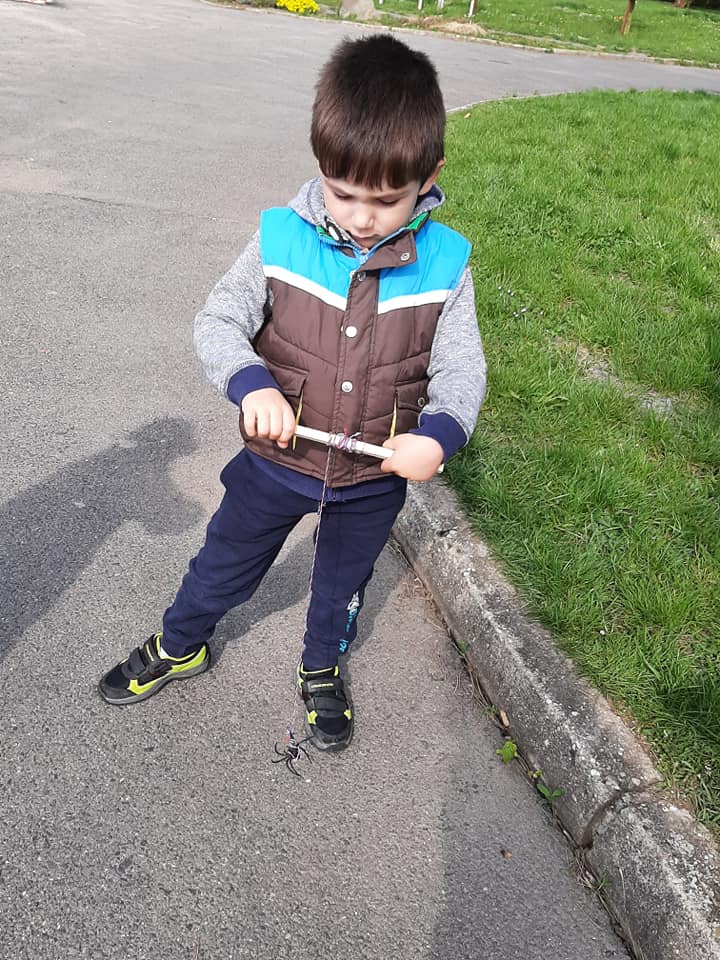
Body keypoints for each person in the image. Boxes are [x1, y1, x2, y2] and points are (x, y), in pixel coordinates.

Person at [98, 34, 487, 751]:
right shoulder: (281, 239)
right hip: (274, 462)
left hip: (371, 481)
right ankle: (181, 641)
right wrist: (251, 386)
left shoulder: (446, 264)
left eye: (386, 200)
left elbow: (463, 371)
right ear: (320, 164)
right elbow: (219, 320)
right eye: (343, 193)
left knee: (341, 588)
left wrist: (439, 435)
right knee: (221, 564)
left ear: (429, 176)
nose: (362, 217)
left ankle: (321, 667)